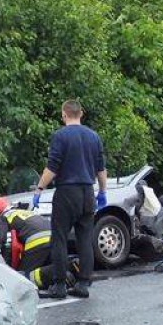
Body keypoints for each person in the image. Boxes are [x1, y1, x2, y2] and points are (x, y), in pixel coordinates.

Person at [32, 100, 107, 299]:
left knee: (59, 238)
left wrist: (39, 189)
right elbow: (101, 168)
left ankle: (59, 285)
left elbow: (52, 168)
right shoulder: (94, 136)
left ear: (64, 114)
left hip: (67, 192)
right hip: (88, 193)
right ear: (80, 113)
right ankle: (83, 284)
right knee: (85, 238)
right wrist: (103, 191)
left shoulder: (60, 136)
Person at [0, 197, 75, 290]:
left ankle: (58, 272)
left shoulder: (3, 217)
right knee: (44, 265)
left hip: (37, 241)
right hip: (55, 238)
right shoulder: (25, 212)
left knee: (23, 278)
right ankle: (70, 265)